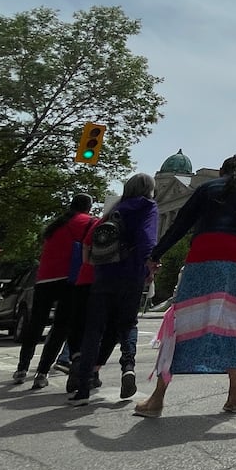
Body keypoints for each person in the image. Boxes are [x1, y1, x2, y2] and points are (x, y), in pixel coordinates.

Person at [134, 154, 236, 418]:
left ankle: (158, 398)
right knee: (234, 322)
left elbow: (179, 224)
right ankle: (235, 394)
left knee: (182, 320)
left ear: (221, 172)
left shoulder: (207, 189)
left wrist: (155, 255)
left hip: (203, 256)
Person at [68, 174, 159, 405]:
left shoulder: (115, 209)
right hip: (131, 275)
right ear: (149, 189)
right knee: (128, 324)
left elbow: (90, 240)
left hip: (103, 275)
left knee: (93, 329)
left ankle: (83, 390)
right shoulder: (147, 207)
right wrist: (151, 265)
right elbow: (148, 238)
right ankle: (128, 367)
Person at [12, 193, 96, 386]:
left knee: (35, 324)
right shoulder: (89, 222)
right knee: (60, 327)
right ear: (88, 207)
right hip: (70, 278)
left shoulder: (55, 225)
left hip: (44, 278)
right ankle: (42, 373)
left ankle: (22, 368)